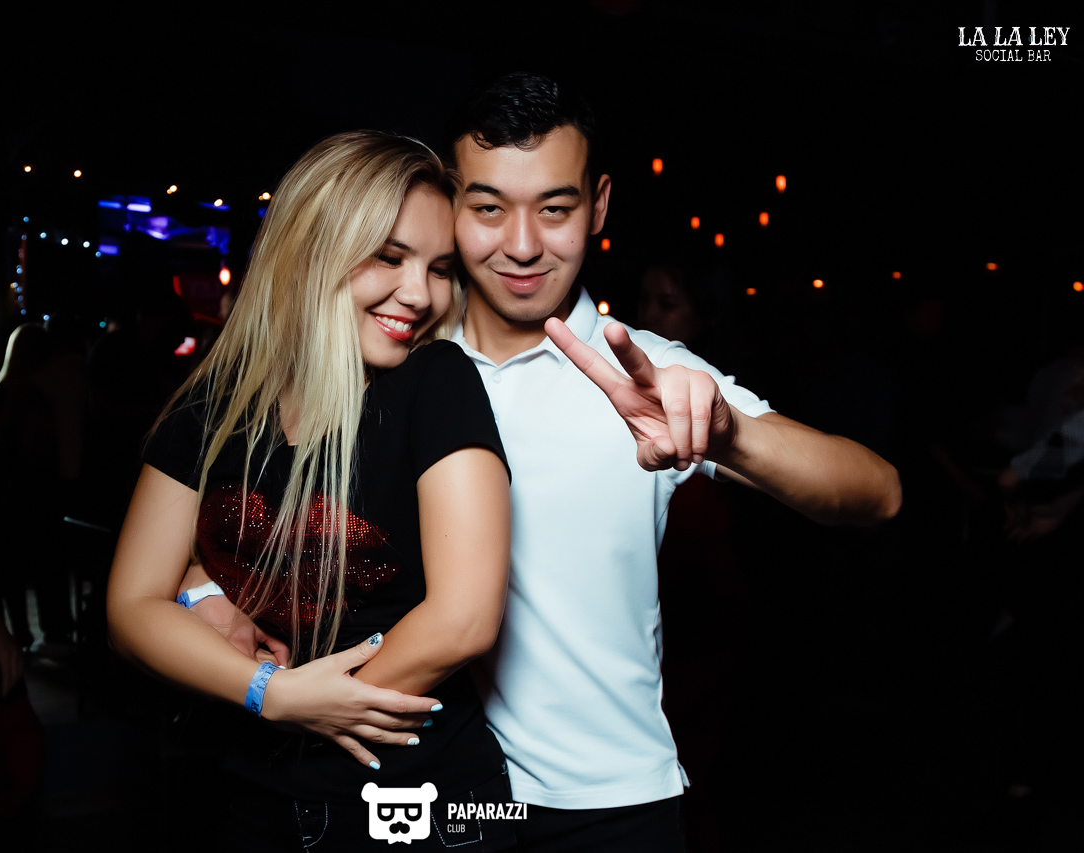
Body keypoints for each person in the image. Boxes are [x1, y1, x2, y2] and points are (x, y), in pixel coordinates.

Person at [446, 73, 901, 851]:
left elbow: (877, 492)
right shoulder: (408, 357)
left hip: (609, 806)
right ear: (450, 202)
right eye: (489, 208)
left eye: (554, 208)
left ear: (599, 205)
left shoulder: (646, 369)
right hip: (438, 794)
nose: (521, 245)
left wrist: (725, 433)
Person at [106, 130, 517, 851]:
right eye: (388, 256)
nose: (419, 294)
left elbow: (466, 618)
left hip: (426, 805)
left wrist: (305, 709)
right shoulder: (216, 405)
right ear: (309, 252)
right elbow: (131, 606)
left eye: (439, 268)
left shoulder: (436, 382)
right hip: (245, 796)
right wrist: (271, 695)